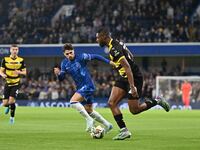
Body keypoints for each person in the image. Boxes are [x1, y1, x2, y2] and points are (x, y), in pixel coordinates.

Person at [96, 28, 170, 140]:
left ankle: (157, 101)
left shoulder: (114, 49)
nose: (97, 40)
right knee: (111, 103)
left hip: (134, 78)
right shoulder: (116, 43)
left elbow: (127, 66)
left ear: (105, 37)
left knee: (134, 110)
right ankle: (124, 131)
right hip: (124, 76)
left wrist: (132, 86)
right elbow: (130, 56)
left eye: (98, 37)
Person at [54, 43, 113, 134]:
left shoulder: (81, 57)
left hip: (87, 85)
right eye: (67, 54)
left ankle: (89, 120)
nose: (70, 55)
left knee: (73, 101)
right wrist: (58, 74)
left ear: (73, 51)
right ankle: (108, 125)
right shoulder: (64, 63)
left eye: (71, 52)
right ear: (64, 54)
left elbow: (96, 56)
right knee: (89, 110)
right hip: (80, 88)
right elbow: (62, 78)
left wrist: (108, 62)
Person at [0, 44, 27, 124]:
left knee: (11, 101)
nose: (15, 51)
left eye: (16, 49)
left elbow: (25, 72)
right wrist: (3, 75)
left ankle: (12, 118)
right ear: (10, 50)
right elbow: (0, 71)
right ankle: (7, 107)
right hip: (8, 83)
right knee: (5, 103)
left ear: (18, 51)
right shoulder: (5, 59)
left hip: (16, 83)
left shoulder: (21, 60)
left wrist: (19, 72)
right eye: (13, 49)